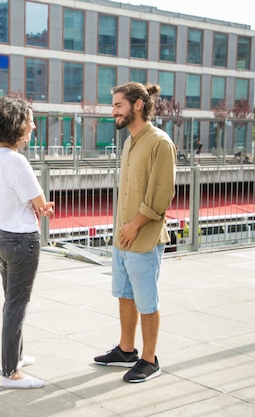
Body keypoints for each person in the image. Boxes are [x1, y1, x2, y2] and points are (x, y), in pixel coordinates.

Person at [93, 82, 176, 383]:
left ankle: (149, 360)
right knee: (125, 296)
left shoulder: (160, 143)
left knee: (147, 301)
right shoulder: (129, 142)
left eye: (117, 105)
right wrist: (122, 229)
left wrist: (134, 226)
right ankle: (126, 350)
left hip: (144, 238)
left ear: (137, 105)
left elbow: (161, 195)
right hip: (123, 237)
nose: (112, 110)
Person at [0, 96, 55, 389]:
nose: (33, 125)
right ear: (16, 124)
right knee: (17, 305)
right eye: (29, 120)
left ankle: (16, 356)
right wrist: (45, 207)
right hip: (21, 241)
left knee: (10, 302)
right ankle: (11, 372)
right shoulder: (17, 161)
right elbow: (38, 203)